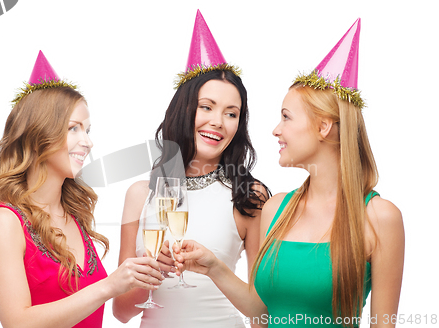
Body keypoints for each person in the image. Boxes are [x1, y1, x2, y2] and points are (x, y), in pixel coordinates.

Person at [173, 19, 405, 328]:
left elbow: (383, 324)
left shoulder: (379, 217)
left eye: (286, 117)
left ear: (323, 127)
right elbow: (262, 312)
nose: (276, 130)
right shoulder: (276, 209)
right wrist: (214, 267)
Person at [0, 51, 163, 328]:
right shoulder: (4, 222)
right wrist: (109, 286)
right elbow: (18, 323)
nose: (87, 142)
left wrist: (143, 274)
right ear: (38, 133)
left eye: (88, 130)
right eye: (73, 129)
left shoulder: (73, 216)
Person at [112, 10, 269, 328]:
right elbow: (122, 312)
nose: (218, 122)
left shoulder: (249, 196)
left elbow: (264, 315)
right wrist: (152, 270)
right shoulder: (140, 195)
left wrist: (214, 267)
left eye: (231, 113)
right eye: (207, 107)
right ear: (184, 110)